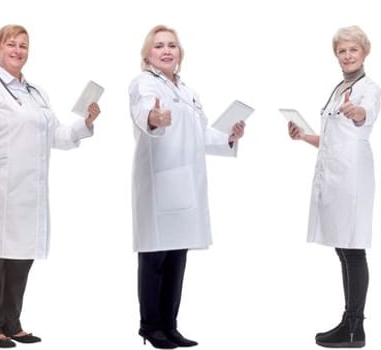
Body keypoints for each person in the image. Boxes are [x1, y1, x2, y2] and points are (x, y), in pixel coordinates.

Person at [0, 24, 97, 349]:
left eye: (23, 45)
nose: (17, 50)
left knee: (20, 257)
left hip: (28, 188)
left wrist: (86, 123)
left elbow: (56, 135)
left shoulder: (36, 92)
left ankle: (12, 322)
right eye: (11, 45)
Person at [126, 24, 244, 349]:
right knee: (155, 257)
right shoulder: (143, 84)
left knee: (177, 255)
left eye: (172, 46)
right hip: (159, 182)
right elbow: (143, 113)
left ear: (180, 53)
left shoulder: (187, 91)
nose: (166, 51)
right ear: (147, 54)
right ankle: (150, 328)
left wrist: (229, 136)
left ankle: (171, 326)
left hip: (186, 184)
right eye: (159, 45)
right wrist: (154, 118)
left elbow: (202, 135)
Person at [284, 25, 380, 349]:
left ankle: (356, 327)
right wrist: (304, 136)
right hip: (335, 174)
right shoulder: (340, 88)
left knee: (353, 248)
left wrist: (357, 112)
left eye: (354, 50)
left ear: (364, 53)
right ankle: (348, 321)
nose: (348, 55)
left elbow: (364, 115)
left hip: (352, 178)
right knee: (343, 248)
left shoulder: (368, 88)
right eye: (342, 51)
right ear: (336, 55)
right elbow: (332, 140)